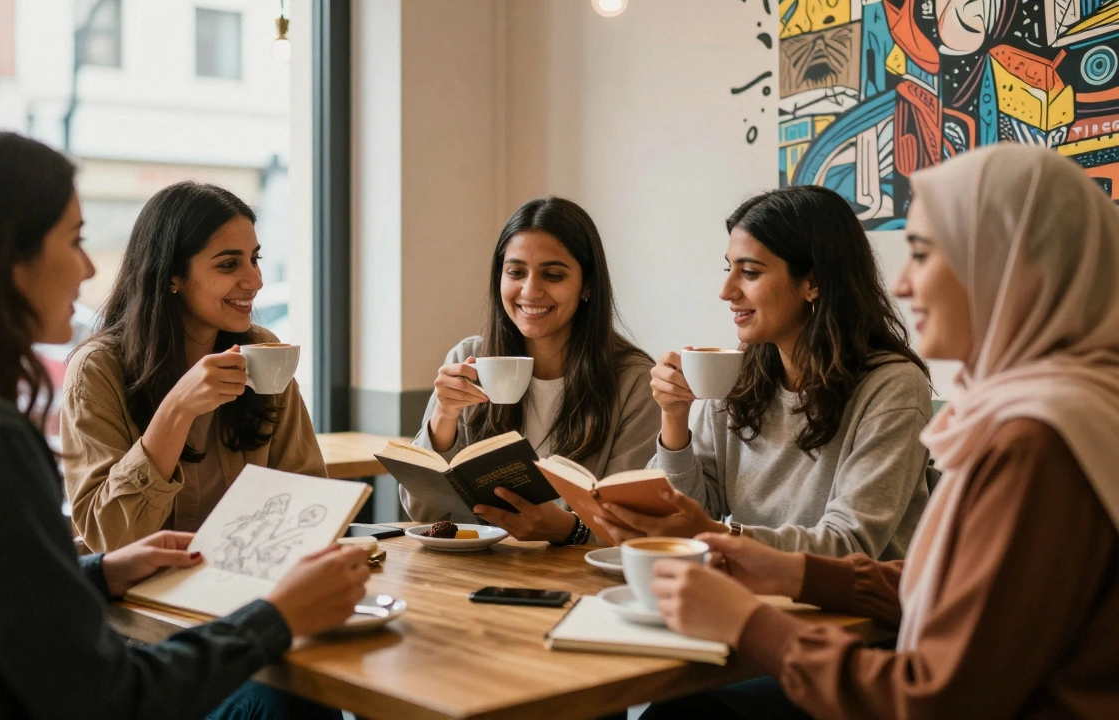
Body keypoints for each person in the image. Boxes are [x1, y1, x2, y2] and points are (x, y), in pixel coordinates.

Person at [0, 121, 367, 720]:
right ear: (3, 259)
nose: (88, 270)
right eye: (73, 240)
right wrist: (276, 619)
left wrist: (97, 573)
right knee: (291, 702)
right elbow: (105, 696)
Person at [642, 144, 1119, 718]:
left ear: (1005, 266)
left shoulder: (1036, 441)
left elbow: (936, 698)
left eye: (922, 254)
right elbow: (950, 591)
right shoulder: (1039, 415)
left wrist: (749, 621)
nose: (904, 284)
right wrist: (788, 569)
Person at [596, 186, 933, 559]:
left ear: (814, 282)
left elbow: (849, 545)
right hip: (743, 595)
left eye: (750, 272)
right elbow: (686, 519)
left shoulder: (892, 388)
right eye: (729, 269)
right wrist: (674, 419)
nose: (726, 291)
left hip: (847, 612)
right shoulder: (738, 377)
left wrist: (713, 534)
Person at [62, 181, 325, 552]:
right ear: (172, 275)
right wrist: (177, 409)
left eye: (255, 259)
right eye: (229, 264)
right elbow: (110, 537)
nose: (255, 280)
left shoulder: (262, 350)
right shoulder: (98, 369)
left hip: (246, 583)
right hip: (138, 595)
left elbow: (307, 497)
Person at [401, 196, 661, 544]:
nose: (530, 290)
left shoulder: (632, 380)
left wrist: (570, 531)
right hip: (472, 571)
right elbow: (422, 513)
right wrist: (443, 419)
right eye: (516, 272)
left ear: (587, 285)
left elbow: (634, 530)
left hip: (578, 579)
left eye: (553, 275)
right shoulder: (469, 357)